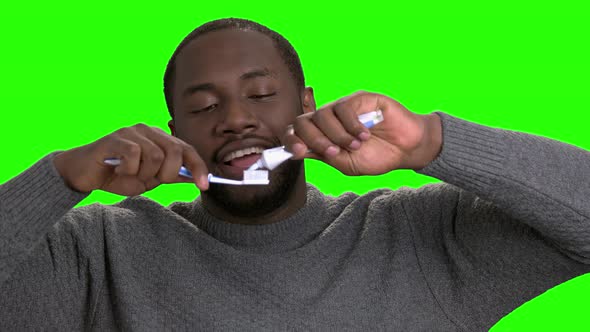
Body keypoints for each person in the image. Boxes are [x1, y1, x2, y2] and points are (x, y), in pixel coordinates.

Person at [0, 17, 588, 331]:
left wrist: (430, 141)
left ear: (305, 106)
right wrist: (59, 178)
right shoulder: (98, 253)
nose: (234, 120)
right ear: (174, 126)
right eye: (203, 108)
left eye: (260, 94)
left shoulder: (420, 237)